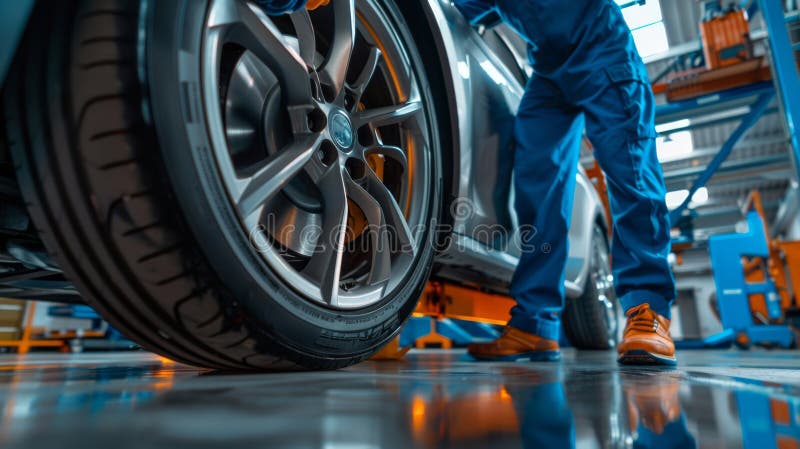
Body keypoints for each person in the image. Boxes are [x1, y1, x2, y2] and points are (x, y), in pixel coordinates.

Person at [258, 0, 677, 366]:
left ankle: (649, 308)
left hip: (603, 48)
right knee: (537, 197)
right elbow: (455, 15)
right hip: (548, 71)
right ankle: (537, 324)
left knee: (632, 177)